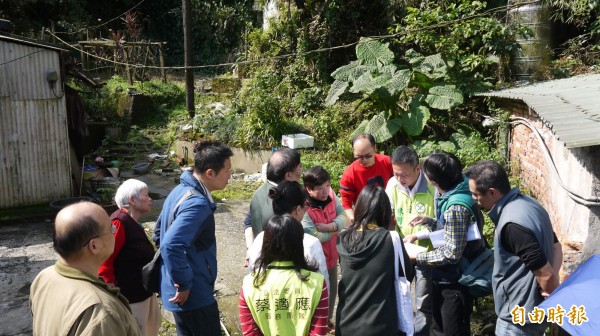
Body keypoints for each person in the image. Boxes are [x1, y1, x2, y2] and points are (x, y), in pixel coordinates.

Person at [465, 160, 562, 336]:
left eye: (475, 194)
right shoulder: (530, 204)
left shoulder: (512, 224)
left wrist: (551, 289)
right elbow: (556, 247)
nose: (473, 199)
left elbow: (545, 274)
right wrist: (551, 288)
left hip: (518, 320)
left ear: (492, 192)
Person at [153, 140, 233, 336]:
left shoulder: (180, 191)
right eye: (227, 170)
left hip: (179, 291)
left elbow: (158, 233)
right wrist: (184, 282)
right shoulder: (197, 203)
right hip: (193, 294)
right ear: (210, 173)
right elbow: (170, 244)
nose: (230, 175)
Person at [404, 152, 485, 336]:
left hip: (454, 281)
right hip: (450, 276)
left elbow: (451, 253)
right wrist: (429, 221)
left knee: (451, 329)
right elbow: (453, 230)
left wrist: (418, 257)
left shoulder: (455, 207)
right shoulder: (460, 189)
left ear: (432, 180)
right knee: (439, 326)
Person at [30, 202, 141, 336]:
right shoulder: (101, 313)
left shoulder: (44, 276)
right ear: (94, 246)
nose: (114, 232)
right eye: (111, 229)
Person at [336, 185, 414, 335]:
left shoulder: (342, 238)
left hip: (346, 321)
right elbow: (407, 274)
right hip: (380, 323)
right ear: (384, 211)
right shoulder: (390, 238)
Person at [239, 215, 329, 335]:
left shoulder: (249, 284)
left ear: (266, 243)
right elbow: (318, 333)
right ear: (299, 243)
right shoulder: (317, 283)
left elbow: (250, 333)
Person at [98, 179, 161, 336]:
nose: (150, 199)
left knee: (151, 326)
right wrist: (112, 293)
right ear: (132, 200)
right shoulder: (119, 222)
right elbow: (105, 259)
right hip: (130, 295)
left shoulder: (131, 221)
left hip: (143, 290)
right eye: (146, 195)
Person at [385, 145, 435, 336]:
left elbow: (439, 224)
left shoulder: (432, 186)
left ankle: (421, 333)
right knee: (400, 295)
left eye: (404, 175)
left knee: (422, 300)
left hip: (427, 253)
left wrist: (419, 236)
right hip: (402, 250)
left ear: (417, 169)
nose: (400, 179)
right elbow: (388, 217)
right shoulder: (392, 185)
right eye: (396, 173)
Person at [247, 181, 329, 290]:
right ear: (298, 210)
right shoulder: (310, 243)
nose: (306, 209)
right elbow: (323, 285)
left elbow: (252, 276)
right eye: (306, 205)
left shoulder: (260, 238)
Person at [302, 166, 349, 332]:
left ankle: (327, 321)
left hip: (331, 257)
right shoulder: (304, 207)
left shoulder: (331, 196)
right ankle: (312, 327)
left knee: (331, 293)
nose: (325, 191)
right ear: (309, 189)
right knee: (315, 295)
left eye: (327, 186)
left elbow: (344, 216)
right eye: (320, 188)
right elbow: (315, 236)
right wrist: (336, 230)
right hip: (312, 263)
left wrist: (330, 226)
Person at [244, 148, 303, 266]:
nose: (302, 170)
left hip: (259, 259)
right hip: (277, 265)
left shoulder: (260, 191)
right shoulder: (283, 200)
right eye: (299, 166)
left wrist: (251, 248)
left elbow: (248, 222)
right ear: (288, 175)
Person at [339, 133, 393, 223]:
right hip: (365, 218)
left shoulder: (388, 162)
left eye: (368, 156)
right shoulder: (349, 175)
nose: (364, 160)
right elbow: (346, 205)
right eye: (359, 157)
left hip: (390, 214)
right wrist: (356, 222)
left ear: (375, 148)